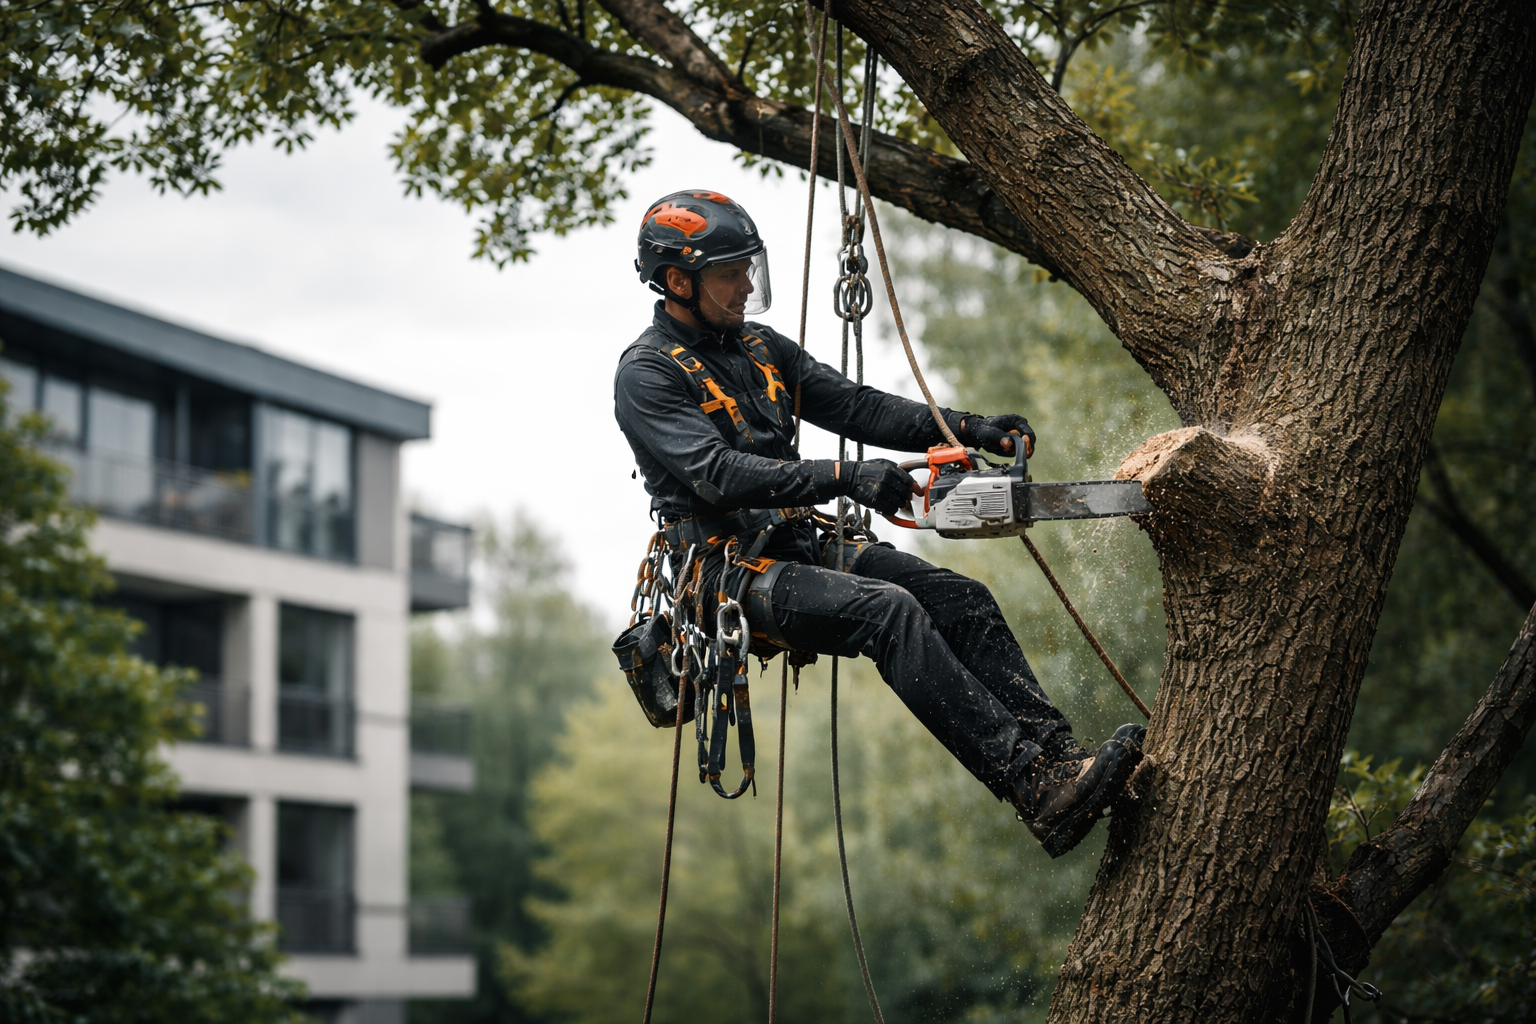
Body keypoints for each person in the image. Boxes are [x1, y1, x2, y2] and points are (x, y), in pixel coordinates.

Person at [614, 189, 1144, 857]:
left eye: (749, 267)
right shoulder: (647, 374)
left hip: (799, 546)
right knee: (887, 612)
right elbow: (717, 473)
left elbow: (859, 408)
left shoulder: (759, 346)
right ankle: (1033, 788)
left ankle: (1064, 761)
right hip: (727, 574)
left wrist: (966, 426)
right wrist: (846, 477)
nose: (746, 284)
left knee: (962, 599)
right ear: (676, 281)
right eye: (730, 273)